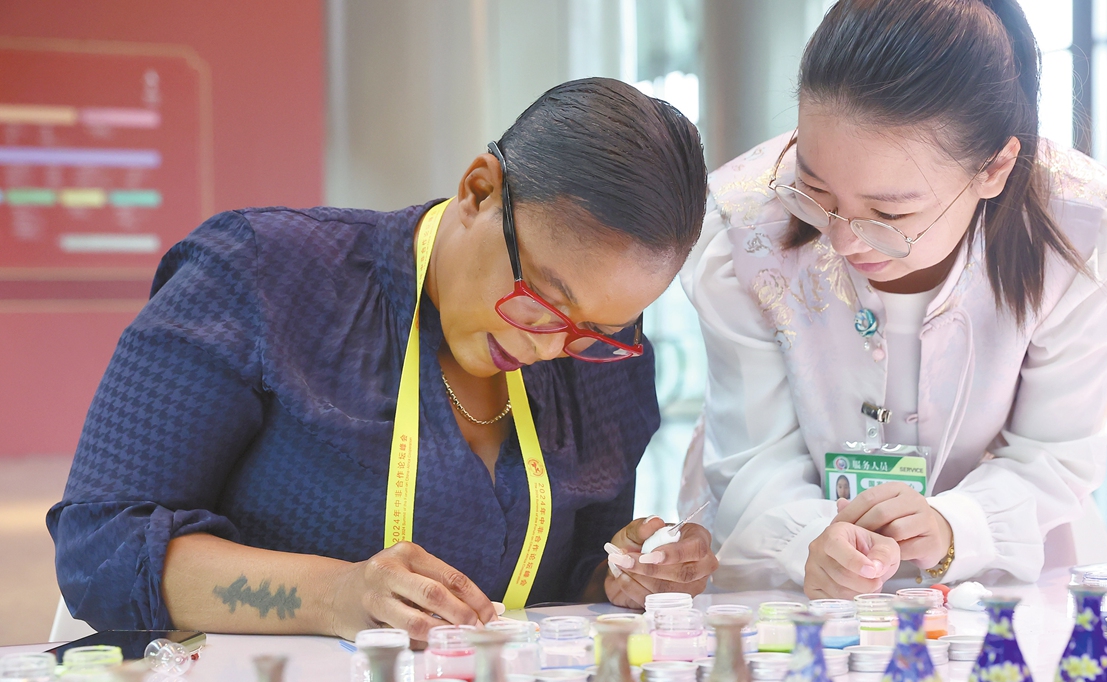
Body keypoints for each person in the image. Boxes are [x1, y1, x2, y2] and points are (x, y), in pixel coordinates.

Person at [48, 78, 718, 638]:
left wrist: (626, 571)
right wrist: (336, 595)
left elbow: (566, 571)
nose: (549, 347)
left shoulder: (605, 366)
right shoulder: (262, 276)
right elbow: (101, 548)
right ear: (478, 191)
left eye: (598, 328)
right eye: (541, 299)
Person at [680, 0, 1107, 598]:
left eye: (890, 212)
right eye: (815, 190)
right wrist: (807, 540)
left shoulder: (1080, 231)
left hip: (1004, 565)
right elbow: (750, 454)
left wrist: (958, 526)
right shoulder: (745, 226)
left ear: (996, 168)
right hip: (790, 572)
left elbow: (1055, 452)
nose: (844, 239)